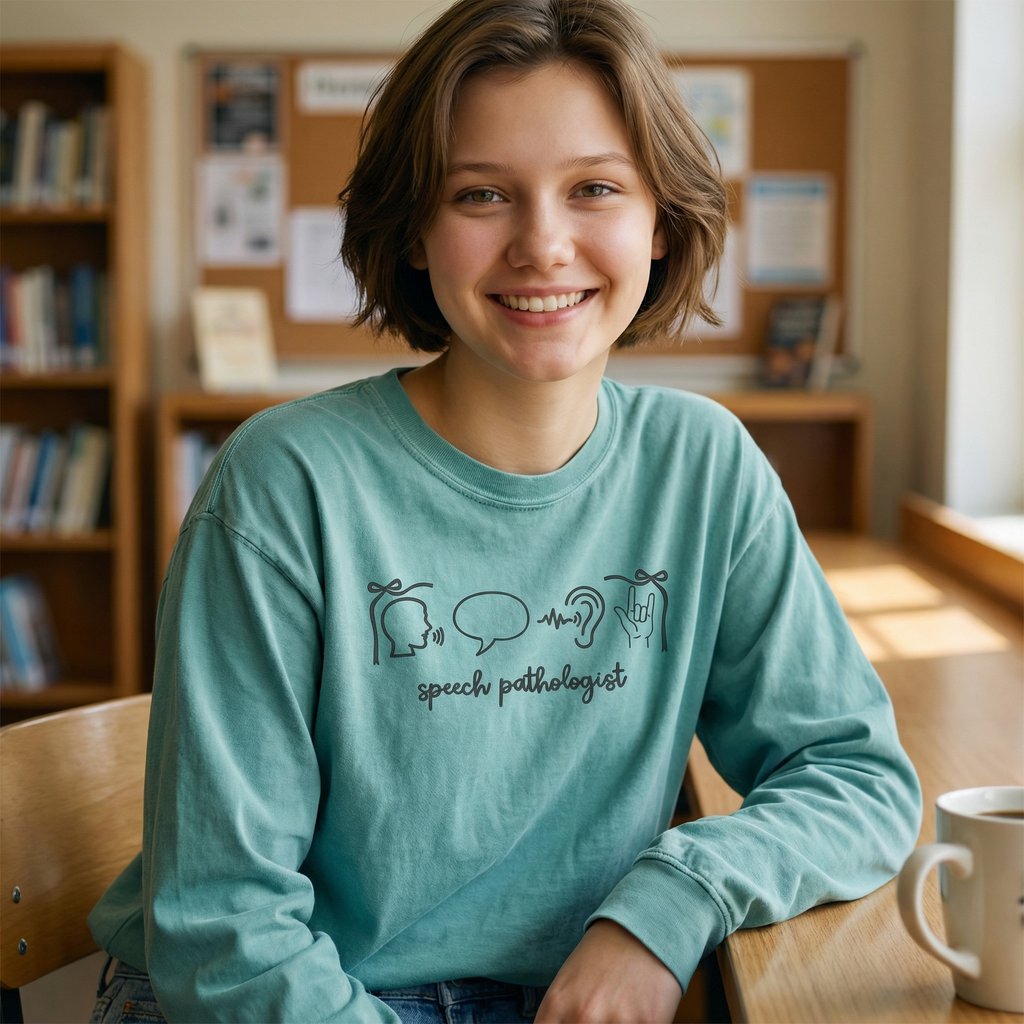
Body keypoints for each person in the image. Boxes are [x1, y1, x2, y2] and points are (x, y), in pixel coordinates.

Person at [89, 1, 922, 1021]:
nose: (543, 245)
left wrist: (669, 902)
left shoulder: (704, 468)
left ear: (660, 220)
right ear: (413, 230)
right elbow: (222, 926)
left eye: (594, 188)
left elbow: (856, 775)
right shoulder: (283, 483)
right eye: (481, 194)